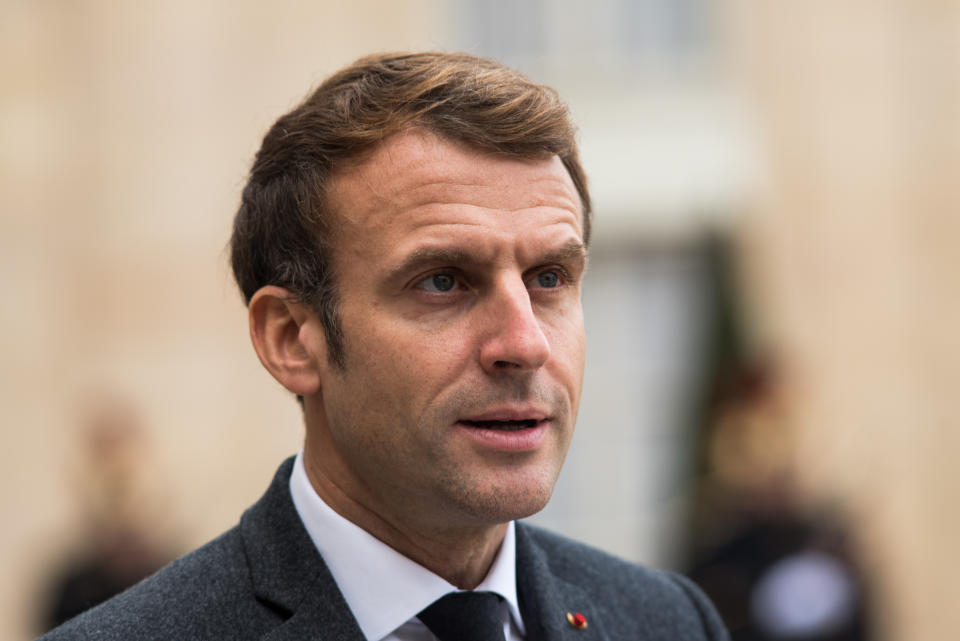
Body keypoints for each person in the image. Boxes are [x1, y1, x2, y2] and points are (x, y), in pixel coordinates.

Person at [40, 51, 729, 641]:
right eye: (442, 282)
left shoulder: (668, 620)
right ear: (291, 339)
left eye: (549, 277)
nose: (524, 343)